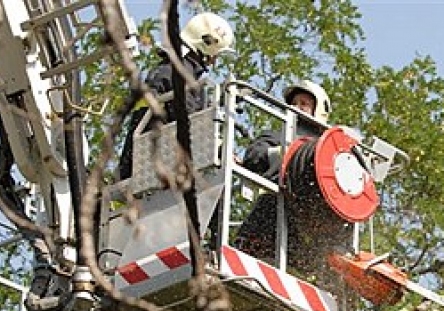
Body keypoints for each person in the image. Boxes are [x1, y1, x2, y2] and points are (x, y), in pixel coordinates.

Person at [234, 80, 351, 277]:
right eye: (294, 103)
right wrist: (281, 154)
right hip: (273, 215)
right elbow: (254, 158)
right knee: (272, 206)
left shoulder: (334, 154)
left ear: (318, 110)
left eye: (304, 103)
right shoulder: (277, 137)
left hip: (309, 226)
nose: (297, 107)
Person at [118, 12, 235, 180]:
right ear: (207, 43)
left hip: (149, 166)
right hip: (157, 168)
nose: (213, 62)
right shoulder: (178, 74)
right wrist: (218, 148)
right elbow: (191, 121)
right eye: (215, 54)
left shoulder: (173, 72)